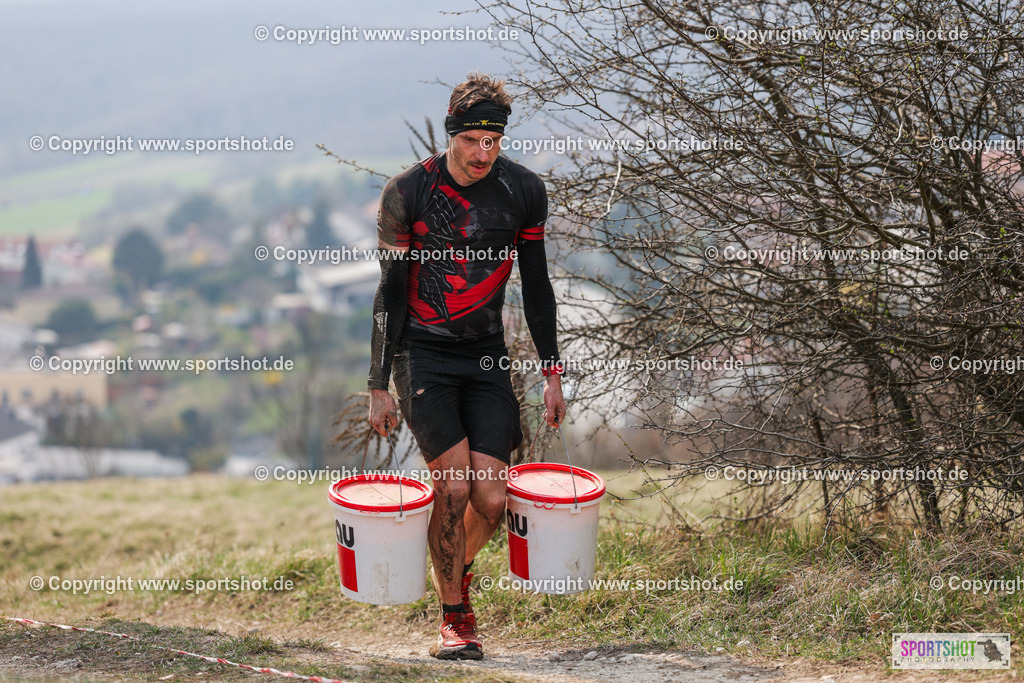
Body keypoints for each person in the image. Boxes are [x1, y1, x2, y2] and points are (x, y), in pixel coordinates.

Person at [366, 72, 566, 660]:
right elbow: (389, 293)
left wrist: (552, 374)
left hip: (485, 355)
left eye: (495, 141)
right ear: (452, 135)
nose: (485, 153)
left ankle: (450, 569)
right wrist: (378, 383)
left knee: (494, 501)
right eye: (473, 140)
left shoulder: (523, 191)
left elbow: (537, 287)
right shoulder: (407, 192)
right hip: (421, 353)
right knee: (451, 488)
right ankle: (454, 616)